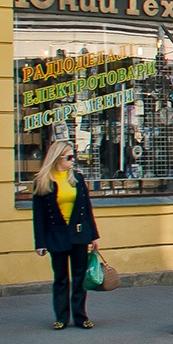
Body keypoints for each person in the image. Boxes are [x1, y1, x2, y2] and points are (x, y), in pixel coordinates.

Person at [32, 140, 101, 329]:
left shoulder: (77, 178)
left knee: (80, 277)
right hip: (56, 235)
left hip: (79, 234)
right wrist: (40, 242)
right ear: (57, 158)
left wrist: (94, 236)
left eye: (73, 156)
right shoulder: (43, 181)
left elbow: (87, 209)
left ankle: (81, 317)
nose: (73, 160)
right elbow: (38, 216)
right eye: (69, 157)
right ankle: (61, 318)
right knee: (61, 277)